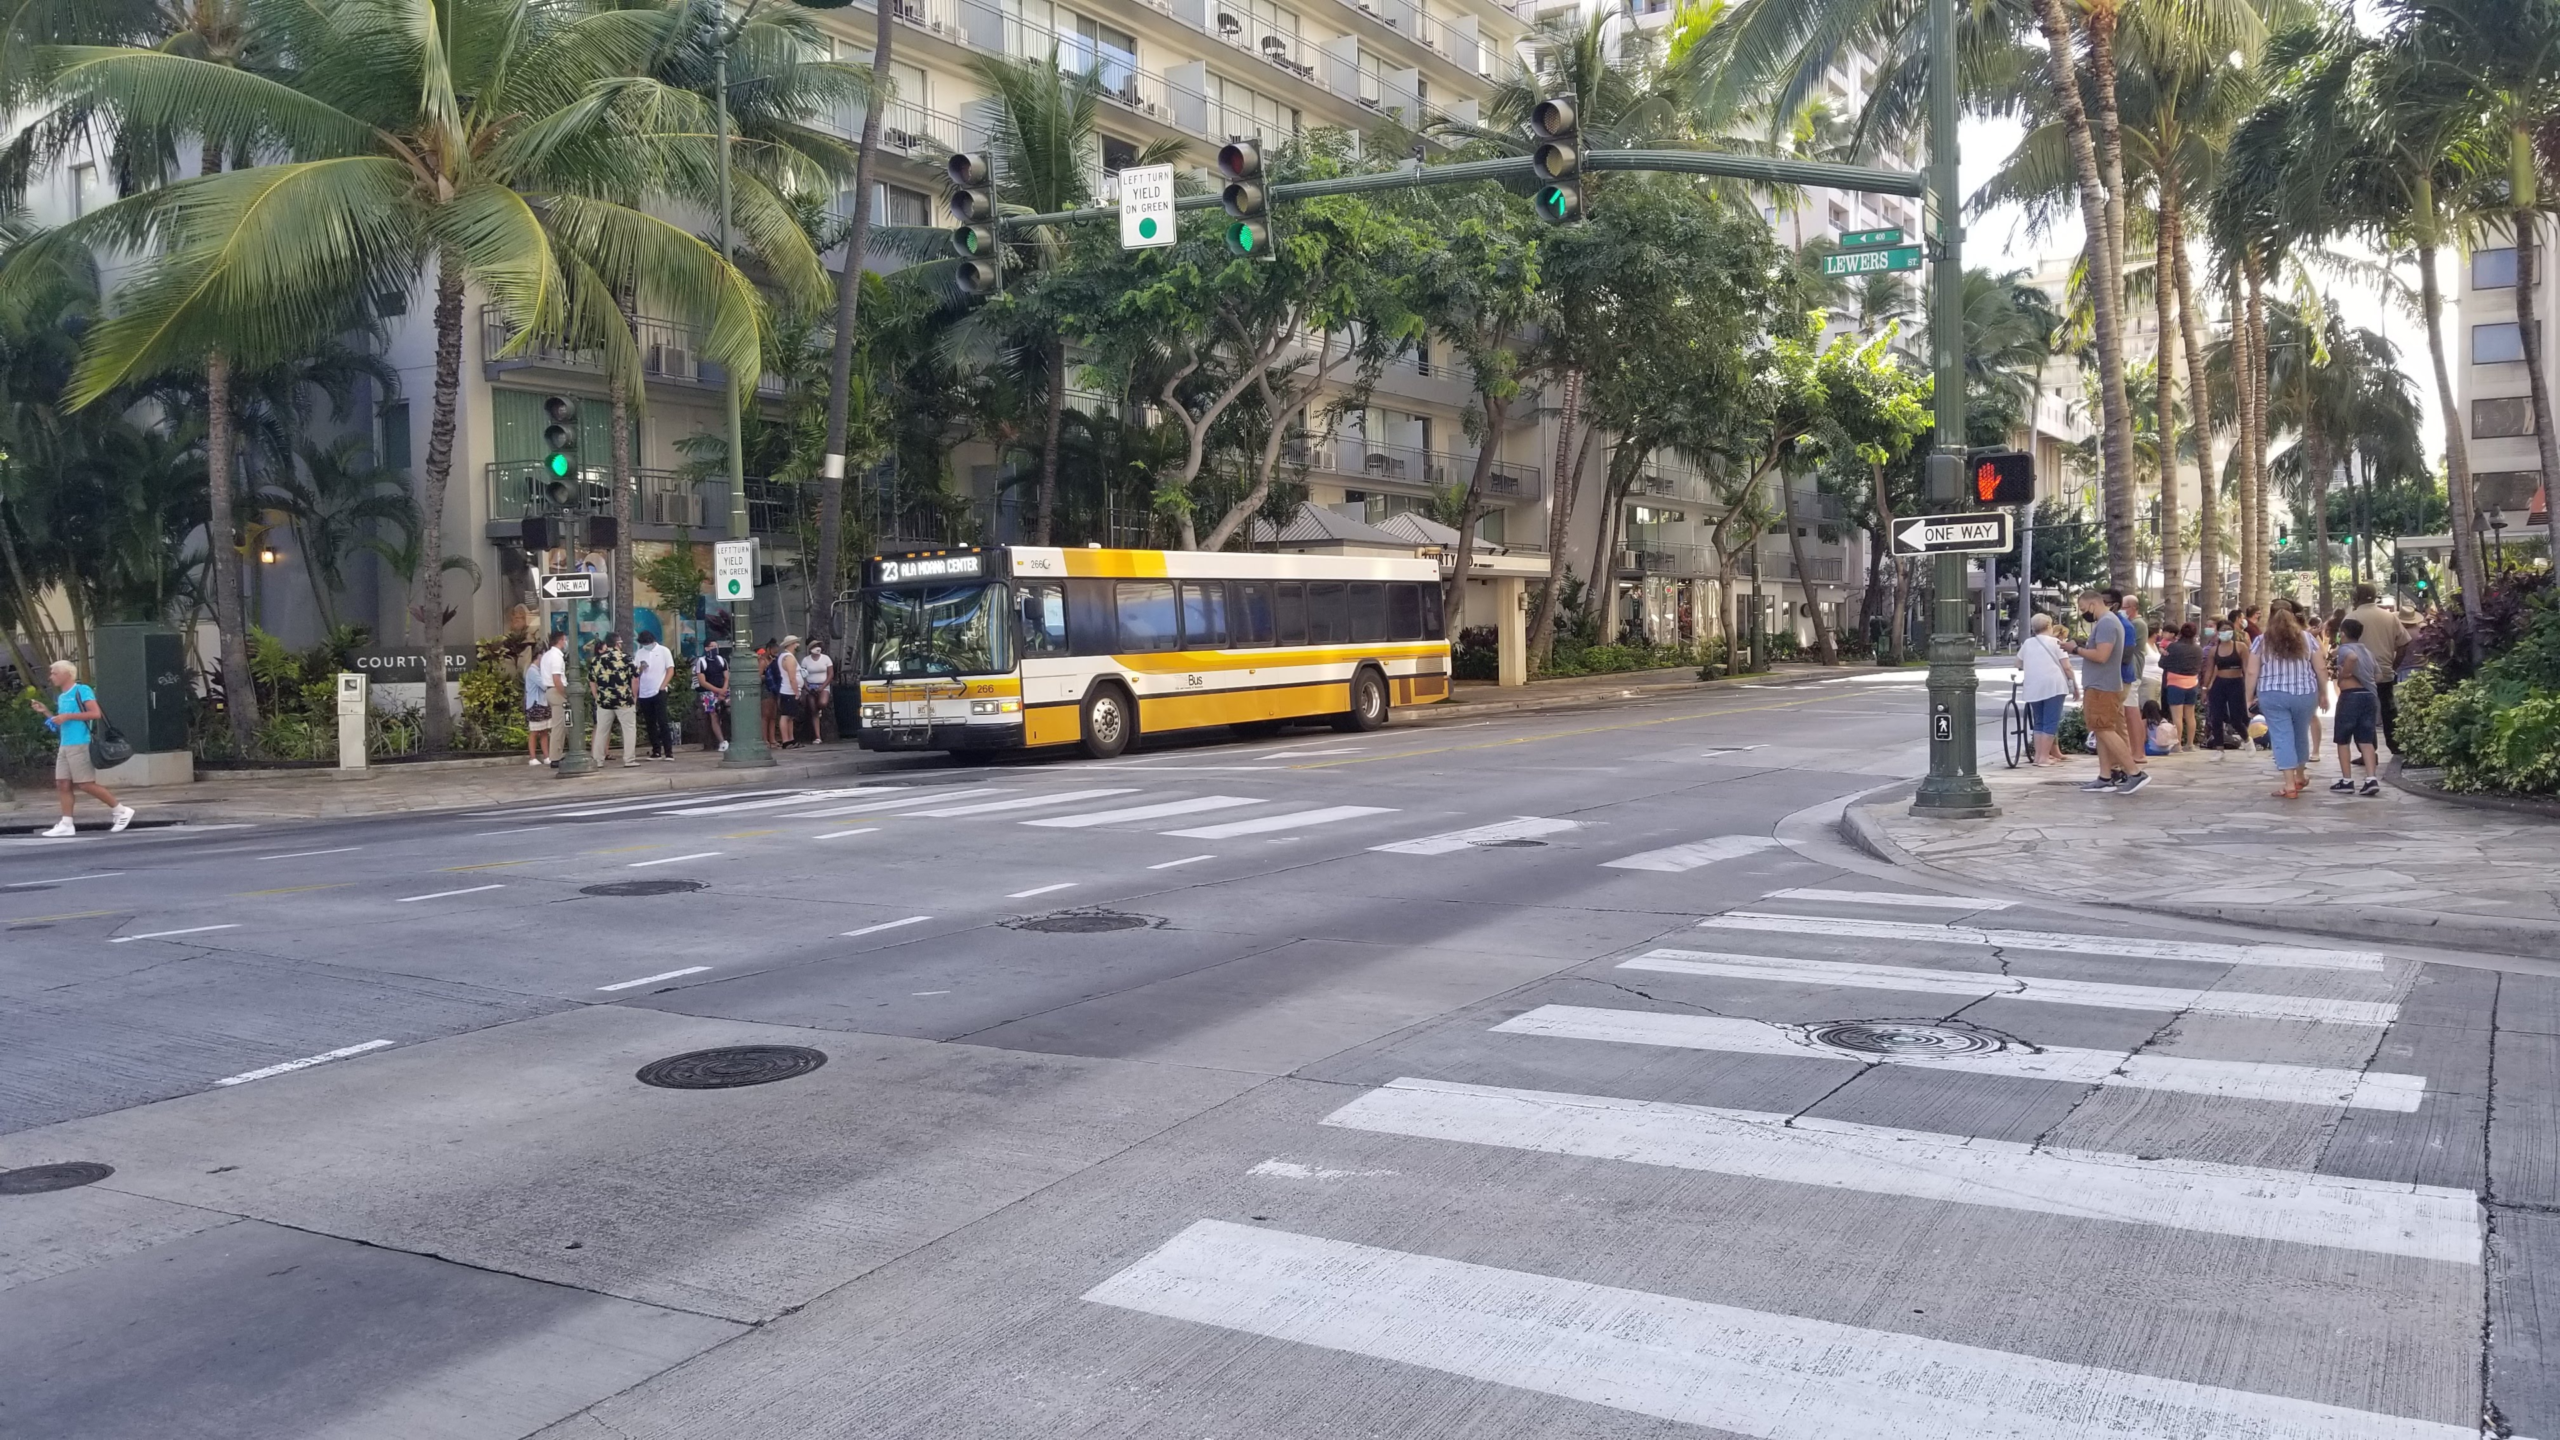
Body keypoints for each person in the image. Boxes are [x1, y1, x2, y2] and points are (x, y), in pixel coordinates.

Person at [32, 660, 134, 836]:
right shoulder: (62, 696)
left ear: (67, 674)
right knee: (62, 783)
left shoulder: (82, 690)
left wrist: (67, 716)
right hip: (65, 744)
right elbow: (61, 723)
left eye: (54, 673)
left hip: (80, 743)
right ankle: (66, 823)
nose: (51, 677)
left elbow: (95, 713)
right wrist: (47, 713)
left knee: (85, 784)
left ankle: (121, 810)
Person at [2062, 589, 2148, 793]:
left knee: (2105, 729)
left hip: (2103, 686)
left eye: (2083, 608)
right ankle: (2105, 776)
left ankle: (2134, 773)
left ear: (2093, 604)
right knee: (2100, 730)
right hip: (2099, 685)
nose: (2083, 613)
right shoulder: (2106, 622)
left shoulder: (2107, 623)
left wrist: (2074, 649)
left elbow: (2102, 655)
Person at [2247, 604, 2328, 799]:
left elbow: (2252, 671)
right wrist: (2324, 692)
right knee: (2300, 733)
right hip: (2304, 694)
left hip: (2273, 694)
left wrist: (2248, 697)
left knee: (2282, 736)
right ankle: (2300, 775)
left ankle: (2290, 784)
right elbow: (2320, 668)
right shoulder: (2308, 639)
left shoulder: (2261, 641)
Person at [2344, 583, 2410, 752]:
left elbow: (2345, 646)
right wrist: (2394, 665)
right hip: (2385, 671)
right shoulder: (2390, 617)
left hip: (2360, 674)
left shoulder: (2351, 618)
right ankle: (2396, 746)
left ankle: (2368, 752)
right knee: (2388, 710)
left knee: (2363, 713)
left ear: (2355, 596)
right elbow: (2404, 644)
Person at [2329, 617, 2383, 796]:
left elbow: (2351, 658)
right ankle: (2371, 778)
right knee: (2366, 739)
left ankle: (2347, 780)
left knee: (2343, 739)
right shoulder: (2367, 651)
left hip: (2351, 696)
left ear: (2342, 634)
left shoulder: (2346, 649)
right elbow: (2379, 676)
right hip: (2369, 696)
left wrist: (2345, 673)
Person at [2018, 612, 2078, 766]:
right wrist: (2075, 685)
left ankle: (2038, 756)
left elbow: (2018, 663)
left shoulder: (2027, 643)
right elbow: (2067, 667)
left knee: (2039, 721)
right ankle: (2044, 757)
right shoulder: (2056, 643)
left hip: (2033, 686)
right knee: (2050, 721)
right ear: (2049, 626)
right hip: (2054, 685)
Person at [588, 631, 639, 768]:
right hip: (624, 699)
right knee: (628, 729)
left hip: (604, 700)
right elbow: (635, 678)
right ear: (617, 643)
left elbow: (592, 681)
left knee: (601, 730)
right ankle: (629, 759)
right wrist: (634, 697)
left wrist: (597, 697)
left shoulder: (597, 660)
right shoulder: (626, 658)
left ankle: (598, 760)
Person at [2204, 613, 2249, 750]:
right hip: (2219, 684)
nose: (2225, 633)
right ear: (2218, 632)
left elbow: (2247, 669)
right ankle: (2219, 747)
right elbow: (2209, 670)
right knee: (2216, 717)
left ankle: (2247, 739)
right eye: (2222, 630)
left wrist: (2249, 688)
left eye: (2228, 630)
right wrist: (2205, 689)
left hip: (2236, 683)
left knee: (2236, 718)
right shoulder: (2213, 650)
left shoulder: (2241, 647)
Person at [2159, 622, 2203, 751]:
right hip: (2192, 682)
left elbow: (2162, 663)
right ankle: (2190, 743)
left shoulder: (2173, 647)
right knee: (2190, 715)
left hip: (2175, 683)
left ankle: (2177, 744)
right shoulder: (2198, 649)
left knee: (2177, 716)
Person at [633, 629, 676, 761]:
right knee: (650, 722)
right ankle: (656, 750)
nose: (646, 645)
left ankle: (668, 751)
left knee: (662, 721)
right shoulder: (640, 653)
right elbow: (635, 673)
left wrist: (663, 686)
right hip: (644, 692)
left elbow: (670, 669)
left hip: (659, 690)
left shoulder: (664, 651)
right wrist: (641, 668)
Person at [536, 630, 568, 767]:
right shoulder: (556, 657)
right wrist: (565, 694)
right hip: (557, 691)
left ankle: (558, 753)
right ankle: (555, 756)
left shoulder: (547, 655)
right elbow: (556, 678)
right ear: (561, 640)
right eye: (565, 640)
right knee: (559, 725)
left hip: (551, 691)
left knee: (563, 723)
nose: (566, 643)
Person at [693, 644, 730, 752]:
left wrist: (723, 689)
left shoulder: (721, 660)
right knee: (713, 714)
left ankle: (731, 736)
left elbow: (727, 676)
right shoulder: (701, 662)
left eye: (716, 646)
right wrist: (717, 691)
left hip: (723, 689)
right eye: (711, 646)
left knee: (730, 708)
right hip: (708, 692)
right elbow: (702, 682)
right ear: (706, 648)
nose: (714, 648)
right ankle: (721, 741)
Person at [522, 640, 553, 766]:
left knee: (545, 731)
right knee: (534, 732)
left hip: (543, 703)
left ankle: (546, 756)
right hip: (535, 704)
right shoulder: (532, 671)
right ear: (539, 656)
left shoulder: (538, 670)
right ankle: (532, 757)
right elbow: (544, 685)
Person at [799, 638, 834, 745]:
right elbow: (803, 676)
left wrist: (822, 687)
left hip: (823, 686)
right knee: (813, 709)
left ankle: (820, 710)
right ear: (810, 649)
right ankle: (817, 736)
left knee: (822, 703)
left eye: (818, 645)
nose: (817, 648)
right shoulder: (805, 660)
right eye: (814, 646)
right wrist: (806, 687)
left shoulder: (826, 659)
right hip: (811, 686)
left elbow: (830, 674)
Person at [770, 634, 803, 748]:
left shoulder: (785, 656)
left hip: (789, 690)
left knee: (791, 716)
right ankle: (786, 740)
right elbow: (792, 677)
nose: (798, 645)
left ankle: (791, 738)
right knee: (786, 715)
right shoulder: (788, 658)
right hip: (789, 691)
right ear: (791, 645)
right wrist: (796, 691)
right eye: (796, 643)